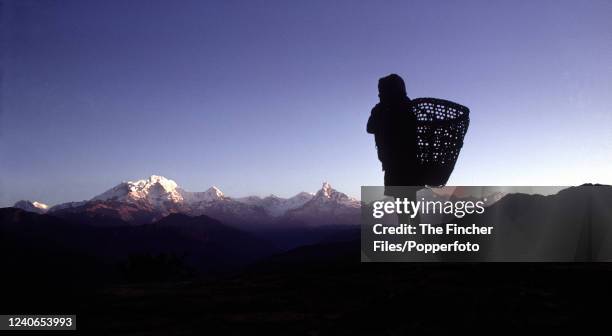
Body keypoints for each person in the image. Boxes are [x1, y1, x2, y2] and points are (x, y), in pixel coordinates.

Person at [367, 74, 420, 192]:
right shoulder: (407, 105)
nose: (379, 94)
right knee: (407, 202)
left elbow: (370, 128)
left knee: (403, 202)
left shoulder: (384, 109)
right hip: (408, 163)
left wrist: (378, 110)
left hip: (395, 163)